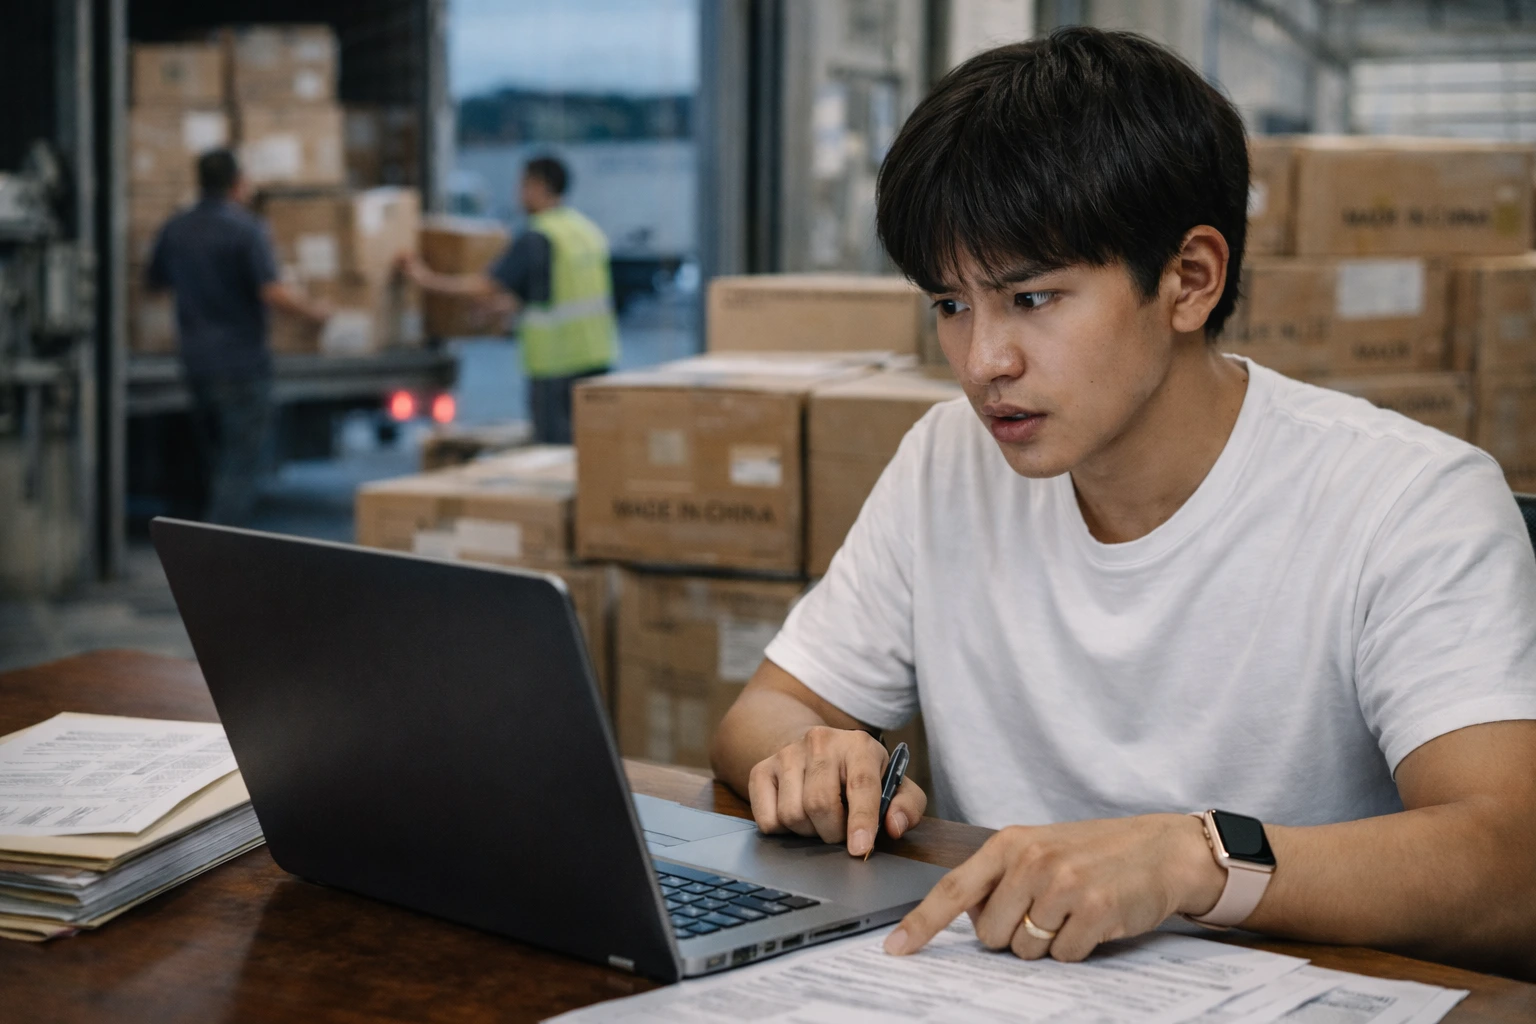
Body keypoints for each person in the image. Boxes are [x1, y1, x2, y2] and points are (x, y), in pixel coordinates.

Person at [709, 28, 1536, 980]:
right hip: (992, 989)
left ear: (1189, 280)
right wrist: (812, 755)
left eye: (1032, 299)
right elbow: (765, 711)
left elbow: (1510, 868)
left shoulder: (1409, 500)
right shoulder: (949, 458)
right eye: (951, 305)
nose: (984, 363)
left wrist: (1196, 858)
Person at [145, 149, 329, 525]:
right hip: (242, 364)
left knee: (215, 459)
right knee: (240, 464)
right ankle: (216, 549)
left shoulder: (176, 227)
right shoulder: (247, 229)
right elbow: (271, 291)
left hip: (196, 362)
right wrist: (315, 313)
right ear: (237, 182)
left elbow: (154, 282)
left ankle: (202, 542)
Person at [402, 156, 618, 444]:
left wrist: (425, 279)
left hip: (556, 364)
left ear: (538, 186)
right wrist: (505, 308)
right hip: (597, 359)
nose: (518, 194)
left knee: (554, 451)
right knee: (593, 446)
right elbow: (555, 292)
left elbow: (485, 286)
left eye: (523, 185)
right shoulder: (586, 232)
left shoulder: (539, 235)